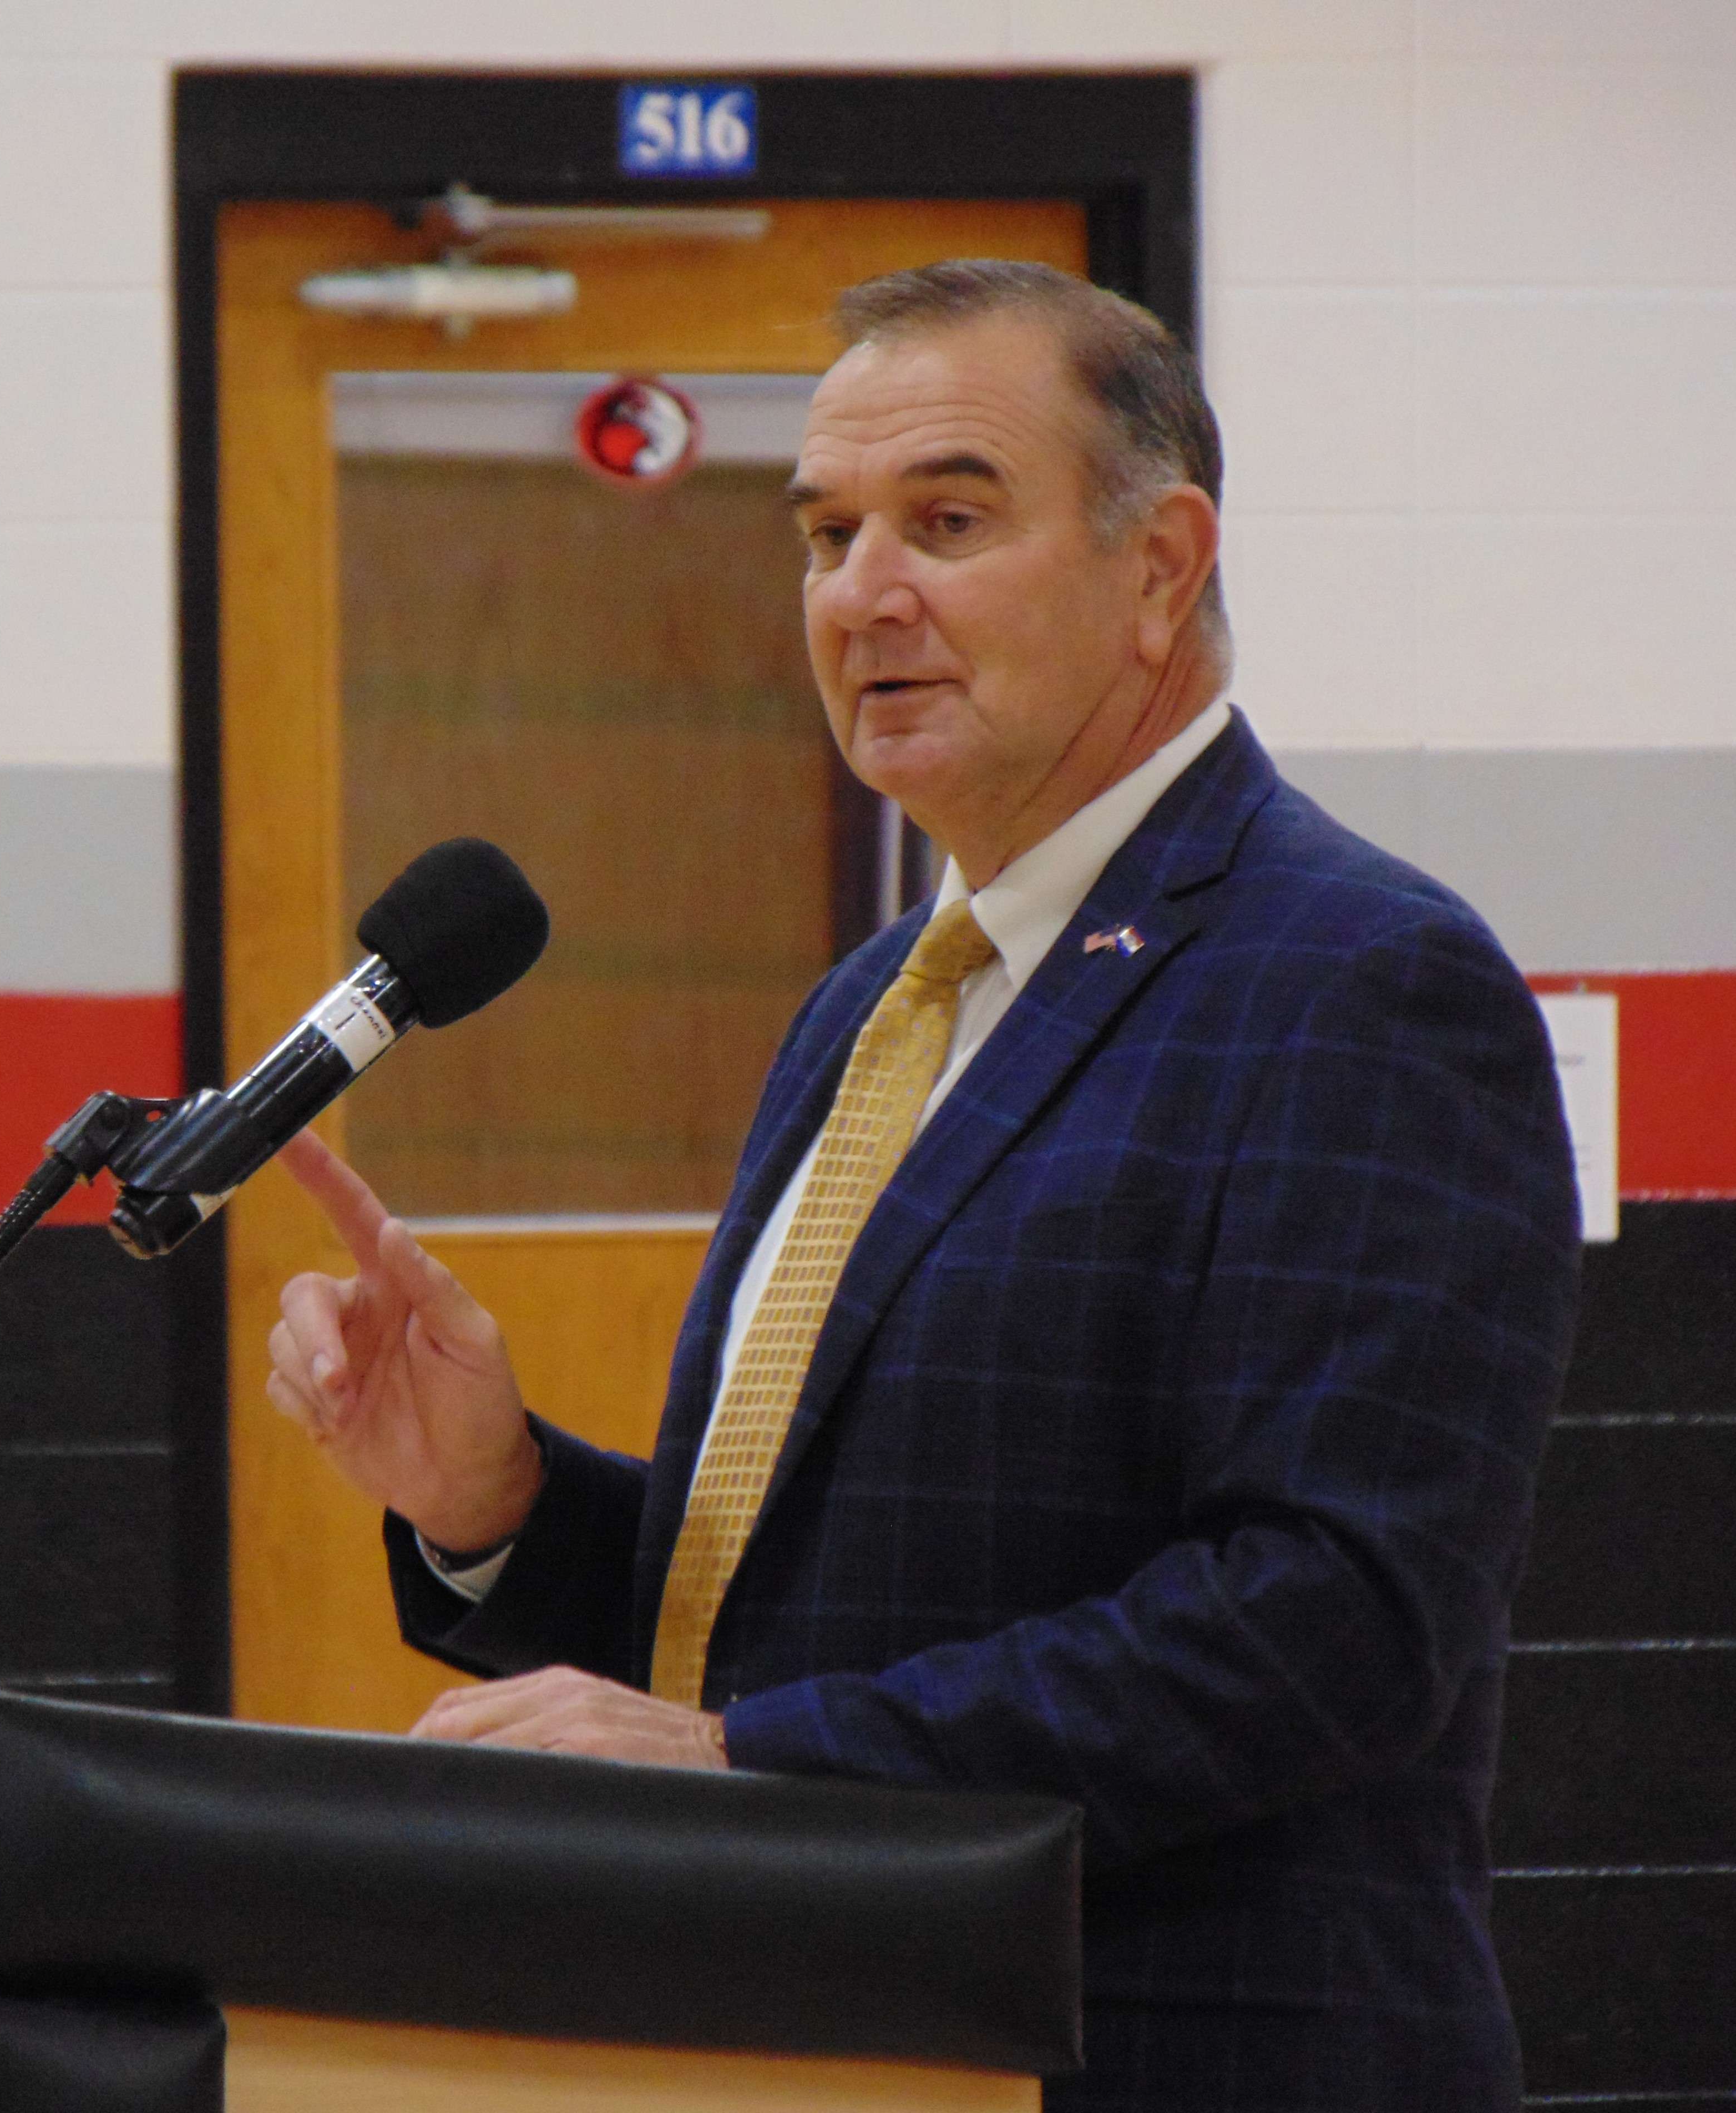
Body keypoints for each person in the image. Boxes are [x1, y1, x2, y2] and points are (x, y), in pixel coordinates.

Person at [264, 261, 1581, 2111]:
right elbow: (826, 1603)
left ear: (1160, 566)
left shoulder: (1360, 978)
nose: (861, 595)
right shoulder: (870, 1009)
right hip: (840, 2050)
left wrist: (749, 1766)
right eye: (824, 535)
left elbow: (1338, 1619)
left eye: (948, 521)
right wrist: (500, 1501)